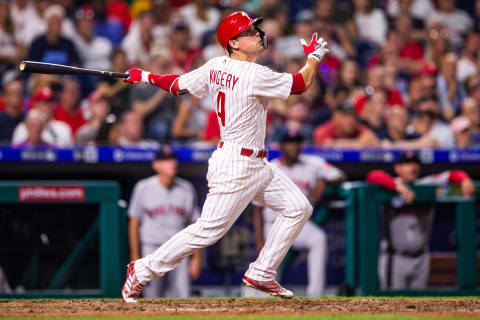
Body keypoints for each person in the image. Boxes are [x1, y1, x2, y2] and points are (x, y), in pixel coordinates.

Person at [121, 11, 330, 302]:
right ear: (233, 43)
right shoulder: (252, 73)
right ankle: (143, 269)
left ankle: (262, 272)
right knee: (207, 230)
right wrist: (315, 57)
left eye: (256, 29)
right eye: (249, 31)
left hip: (256, 162)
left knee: (298, 208)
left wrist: (145, 76)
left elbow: (178, 84)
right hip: (237, 164)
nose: (257, 34)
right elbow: (301, 84)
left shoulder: (216, 65)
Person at [252, 131, 346, 296]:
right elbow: (257, 208)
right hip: (273, 223)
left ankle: (315, 295)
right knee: (271, 268)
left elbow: (340, 176)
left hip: (299, 224)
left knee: (318, 238)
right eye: (289, 142)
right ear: (281, 146)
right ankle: (264, 300)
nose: (294, 146)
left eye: (297, 142)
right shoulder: (269, 169)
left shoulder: (312, 164)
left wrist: (323, 181)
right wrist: (259, 240)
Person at [367, 151, 475, 289]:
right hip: (395, 258)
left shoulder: (427, 185)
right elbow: (373, 175)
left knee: (418, 306)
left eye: (415, 164)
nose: (412, 167)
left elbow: (452, 174)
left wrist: (465, 179)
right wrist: (396, 186)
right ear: (397, 168)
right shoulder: (390, 184)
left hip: (422, 257)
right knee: (393, 306)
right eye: (406, 164)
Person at [128, 148, 202, 297]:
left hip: (179, 251)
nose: (172, 164)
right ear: (156, 165)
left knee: (183, 297)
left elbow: (195, 224)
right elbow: (134, 223)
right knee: (152, 299)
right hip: (152, 250)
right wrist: (135, 258)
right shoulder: (143, 187)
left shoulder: (186, 188)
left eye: (173, 159)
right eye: (166, 160)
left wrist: (197, 258)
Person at [313, 102, 379, 147]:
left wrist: (339, 144)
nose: (351, 120)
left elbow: (371, 138)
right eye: (345, 115)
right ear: (335, 118)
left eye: (353, 116)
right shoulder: (325, 129)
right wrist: (359, 143)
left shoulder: (357, 127)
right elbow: (326, 145)